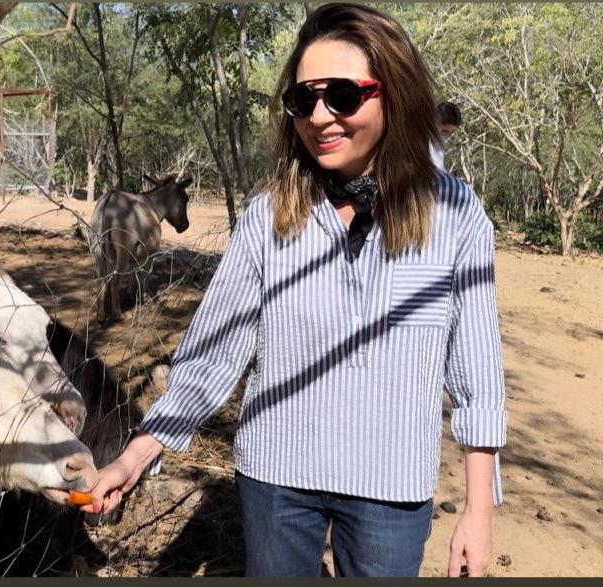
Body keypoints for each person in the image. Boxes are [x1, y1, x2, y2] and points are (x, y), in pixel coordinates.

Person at [82, 3, 506, 578]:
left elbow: (477, 372)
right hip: (277, 477)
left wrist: (478, 510)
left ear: (394, 94)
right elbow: (217, 351)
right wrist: (139, 451)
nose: (320, 117)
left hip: (392, 483)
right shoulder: (269, 217)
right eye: (304, 100)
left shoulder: (455, 214)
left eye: (343, 96)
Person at [431, 101, 462, 171]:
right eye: (444, 131)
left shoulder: (441, 140)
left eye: (448, 133)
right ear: (436, 121)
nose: (445, 136)